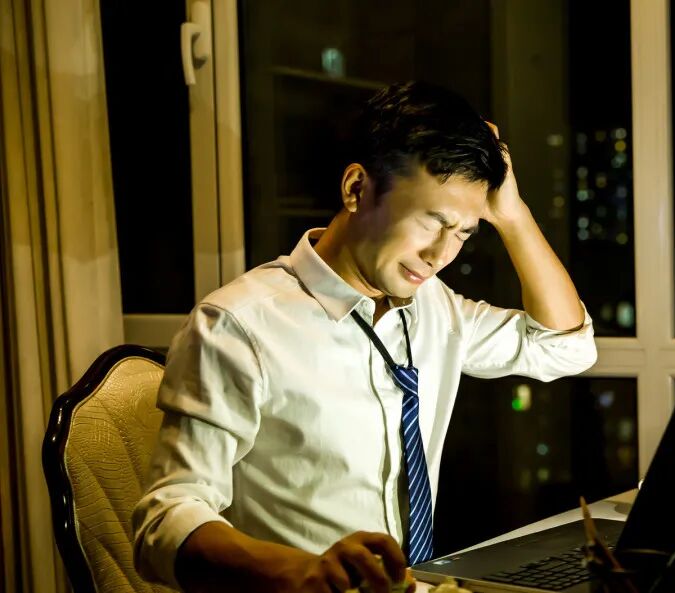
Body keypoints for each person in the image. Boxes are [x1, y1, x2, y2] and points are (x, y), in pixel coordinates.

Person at [132, 81, 598, 593]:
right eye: (431, 222)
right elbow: (165, 520)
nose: (440, 256)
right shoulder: (239, 325)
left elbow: (566, 348)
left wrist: (512, 216)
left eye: (463, 234)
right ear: (356, 189)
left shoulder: (432, 305)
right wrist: (303, 571)